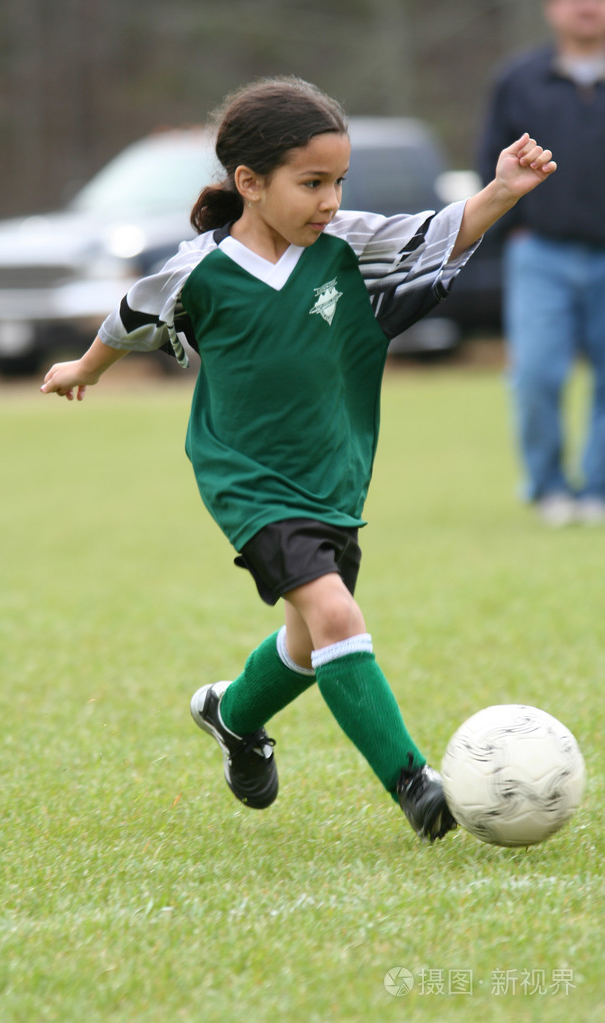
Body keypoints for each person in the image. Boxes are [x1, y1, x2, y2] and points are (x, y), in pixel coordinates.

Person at [41, 77, 555, 841]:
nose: (329, 199)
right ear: (249, 183)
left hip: (333, 473)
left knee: (310, 641)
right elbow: (130, 315)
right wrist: (84, 370)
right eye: (311, 182)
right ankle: (416, 784)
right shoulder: (199, 270)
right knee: (336, 613)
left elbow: (442, 231)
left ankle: (233, 715)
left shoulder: (347, 243)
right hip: (245, 476)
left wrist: (503, 191)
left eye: (338, 181)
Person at [479, 0, 605, 527]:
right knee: (534, 374)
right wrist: (507, 233)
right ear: (551, 8)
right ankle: (549, 487)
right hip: (541, 254)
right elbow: (490, 159)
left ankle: (597, 490)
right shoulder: (517, 79)